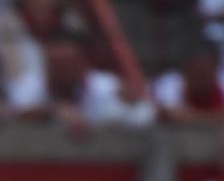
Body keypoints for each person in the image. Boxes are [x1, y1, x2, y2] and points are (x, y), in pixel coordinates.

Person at [16, 27, 154, 130]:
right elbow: (13, 116)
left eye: (67, 64)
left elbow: (146, 116)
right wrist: (51, 112)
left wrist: (131, 104)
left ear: (82, 62)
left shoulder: (108, 86)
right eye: (56, 65)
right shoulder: (30, 83)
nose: (62, 71)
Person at [154, 40, 224, 123]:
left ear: (216, 69)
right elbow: (170, 114)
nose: (201, 79)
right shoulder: (168, 85)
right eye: (196, 72)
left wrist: (193, 116)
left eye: (205, 73)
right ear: (184, 71)